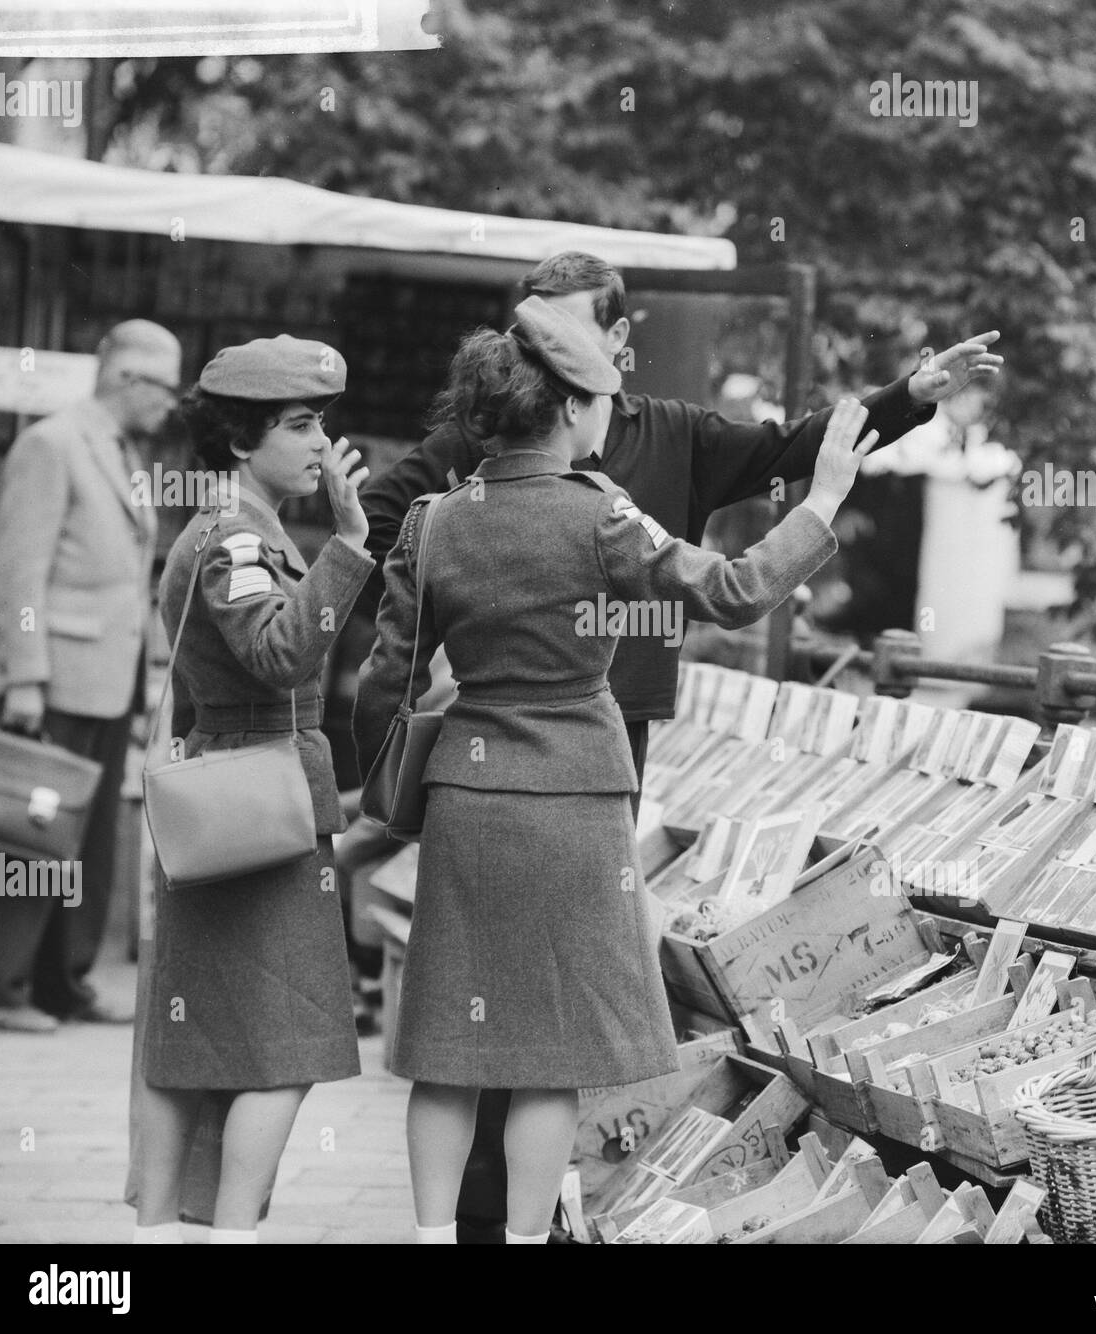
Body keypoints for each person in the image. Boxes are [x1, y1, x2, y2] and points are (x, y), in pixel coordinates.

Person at [355, 251, 1004, 1240]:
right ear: (572, 407)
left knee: (451, 1045)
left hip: (466, 796)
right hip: (576, 793)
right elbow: (735, 588)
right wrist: (822, 500)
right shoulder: (602, 514)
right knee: (551, 1052)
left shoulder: (437, 522)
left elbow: (382, 685)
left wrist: (391, 783)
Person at [130, 336, 375, 1245]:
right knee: (292, 1043)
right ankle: (231, 1234)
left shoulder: (233, 523)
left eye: (322, 422)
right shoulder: (235, 532)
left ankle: (158, 1234)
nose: (322, 442)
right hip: (261, 798)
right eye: (301, 424)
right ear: (241, 439)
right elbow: (275, 654)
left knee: (190, 1045)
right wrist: (350, 549)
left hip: (222, 794)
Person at [0, 320, 179, 1033]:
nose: (171, 403)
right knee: (30, 834)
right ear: (128, 379)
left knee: (85, 836)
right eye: (164, 386)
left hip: (106, 674)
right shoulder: (53, 444)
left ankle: (64, 982)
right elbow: (17, 567)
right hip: (56, 676)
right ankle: (1, 987)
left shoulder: (122, 451)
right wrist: (25, 673)